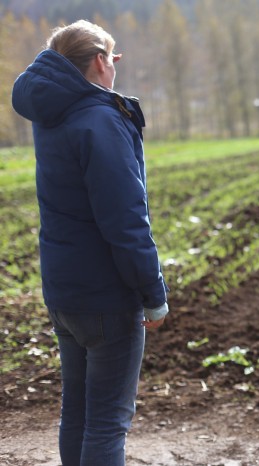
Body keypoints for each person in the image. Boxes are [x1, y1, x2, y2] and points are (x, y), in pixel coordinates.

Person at [12, 20, 169, 466]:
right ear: (101, 61)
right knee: (106, 424)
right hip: (107, 296)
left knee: (77, 414)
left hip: (64, 292)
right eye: (112, 59)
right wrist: (152, 293)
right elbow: (125, 221)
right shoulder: (101, 119)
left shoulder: (54, 113)